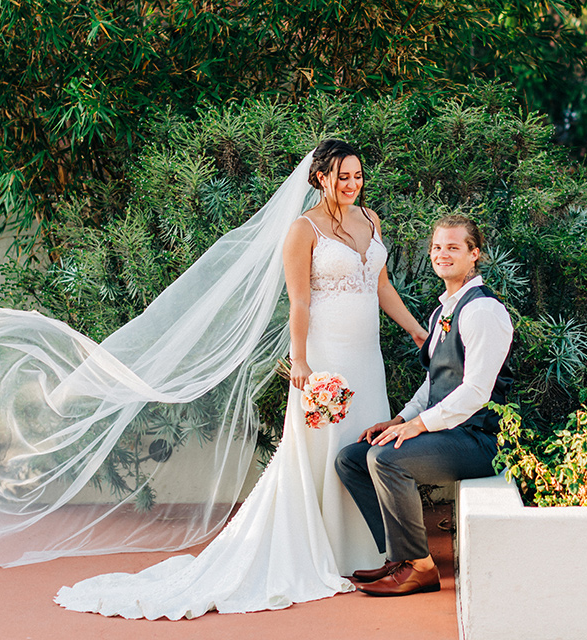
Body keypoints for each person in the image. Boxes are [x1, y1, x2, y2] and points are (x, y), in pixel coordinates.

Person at [53, 139, 428, 618]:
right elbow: (300, 302)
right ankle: (326, 552)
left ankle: (372, 553)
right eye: (342, 177)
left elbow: (380, 285)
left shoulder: (371, 220)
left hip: (366, 358)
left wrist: (416, 330)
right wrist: (302, 363)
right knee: (323, 451)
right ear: (320, 179)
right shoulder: (303, 229)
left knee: (363, 445)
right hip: (326, 358)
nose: (352, 185)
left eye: (357, 175)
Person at [335, 215, 515, 597]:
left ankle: (420, 568)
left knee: (385, 460)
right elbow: (434, 381)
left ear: (474, 254)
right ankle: (398, 556)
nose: (441, 254)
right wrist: (399, 419)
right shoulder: (442, 311)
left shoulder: (483, 311)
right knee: (351, 459)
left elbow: (477, 391)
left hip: (480, 440)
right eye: (436, 247)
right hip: (446, 432)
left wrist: (419, 426)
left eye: (453, 247)